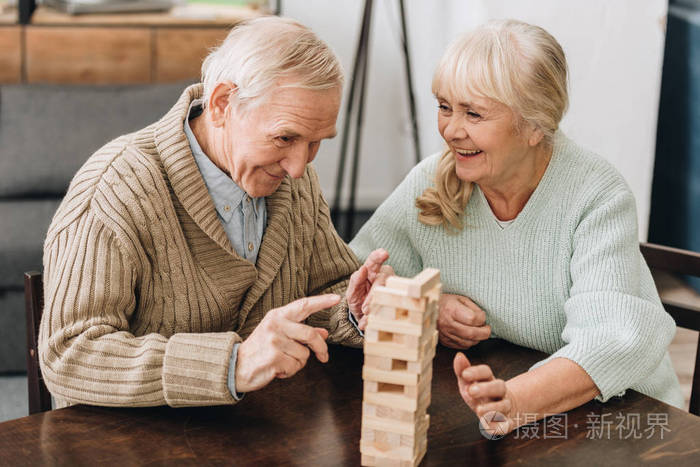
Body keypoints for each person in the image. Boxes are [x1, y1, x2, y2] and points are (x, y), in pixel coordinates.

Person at [350, 19, 684, 436]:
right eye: (444, 106)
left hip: (623, 421)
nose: (452, 130)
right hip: (503, 416)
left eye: (473, 113)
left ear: (535, 125)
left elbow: (612, 341)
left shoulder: (597, 194)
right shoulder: (431, 182)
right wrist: (427, 306)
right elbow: (356, 276)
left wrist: (515, 400)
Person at [39, 16, 389, 408]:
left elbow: (324, 291)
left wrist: (354, 310)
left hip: (259, 432)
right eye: (285, 137)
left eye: (315, 142)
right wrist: (232, 364)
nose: (297, 166)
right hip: (131, 441)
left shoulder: (294, 179)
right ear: (222, 104)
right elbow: (69, 354)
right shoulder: (114, 188)